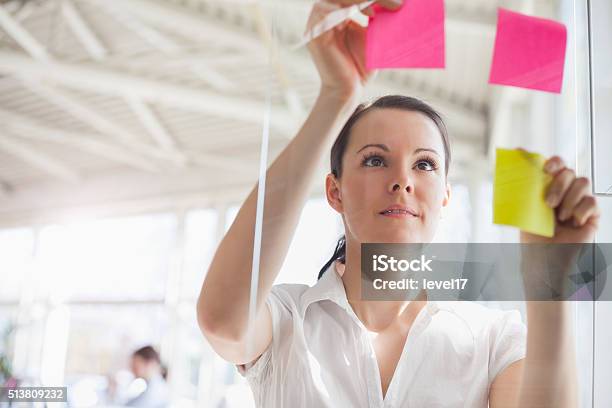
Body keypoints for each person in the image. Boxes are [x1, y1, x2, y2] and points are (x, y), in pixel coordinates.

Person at [197, 1, 600, 407]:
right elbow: (223, 321)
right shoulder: (287, 320)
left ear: (444, 198)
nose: (402, 180)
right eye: (375, 160)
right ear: (334, 192)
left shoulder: (491, 338)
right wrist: (336, 95)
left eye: (424, 164)